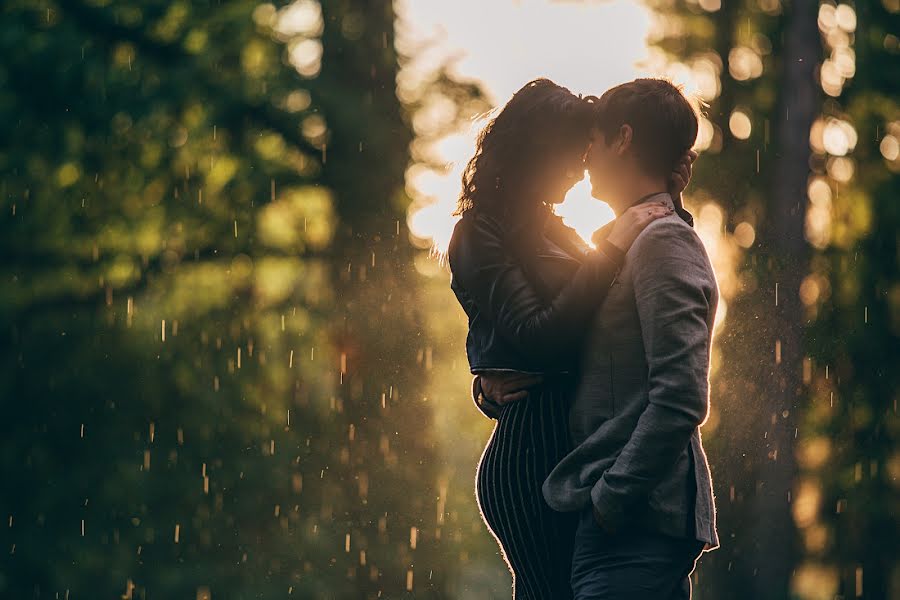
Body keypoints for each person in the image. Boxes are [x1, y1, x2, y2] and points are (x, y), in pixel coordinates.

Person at [447, 78, 693, 599]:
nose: (579, 172)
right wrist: (613, 243)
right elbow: (539, 337)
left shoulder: (553, 229)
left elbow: (619, 306)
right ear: (535, 152)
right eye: (569, 157)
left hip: (571, 446)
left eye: (585, 156)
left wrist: (671, 202)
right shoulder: (477, 232)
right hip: (533, 450)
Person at [533, 78, 720, 600]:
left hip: (635, 522)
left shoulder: (663, 242)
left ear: (623, 137)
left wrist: (611, 498)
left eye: (595, 139)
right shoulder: (647, 237)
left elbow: (680, 397)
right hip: (627, 520)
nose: (586, 155)